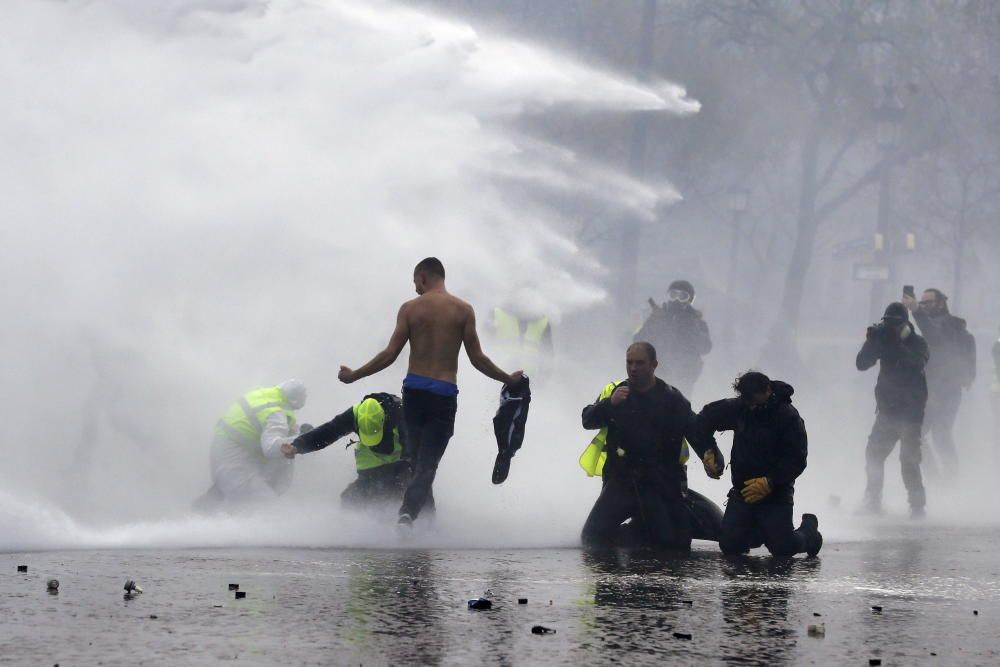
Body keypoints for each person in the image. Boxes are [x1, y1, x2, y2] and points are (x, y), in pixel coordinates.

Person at [338, 257, 522, 527]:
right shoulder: (463, 310)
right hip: (443, 395)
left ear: (423, 277)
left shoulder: (410, 309)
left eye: (415, 282)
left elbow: (389, 355)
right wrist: (507, 378)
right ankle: (408, 516)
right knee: (427, 465)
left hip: (414, 394)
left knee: (414, 461)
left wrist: (354, 375)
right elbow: (478, 359)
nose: (415, 289)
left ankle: (416, 518)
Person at [579, 341, 725, 551]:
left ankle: (644, 529)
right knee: (591, 539)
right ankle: (629, 536)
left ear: (654, 364)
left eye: (640, 363)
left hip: (661, 482)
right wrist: (609, 404)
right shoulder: (615, 392)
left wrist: (709, 454)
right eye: (629, 363)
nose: (633, 368)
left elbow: (695, 430)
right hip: (622, 480)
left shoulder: (671, 398)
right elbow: (587, 420)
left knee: (672, 546)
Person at [695, 371, 822, 557]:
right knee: (730, 545)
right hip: (743, 491)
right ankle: (755, 531)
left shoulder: (788, 417)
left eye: (756, 401)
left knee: (782, 548)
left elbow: (797, 459)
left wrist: (770, 481)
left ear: (767, 391)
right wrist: (709, 451)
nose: (753, 407)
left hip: (776, 494)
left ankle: (810, 533)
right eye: (748, 402)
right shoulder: (741, 407)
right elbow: (704, 419)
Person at [285, 393, 423, 509]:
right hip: (371, 467)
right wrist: (298, 446)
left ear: (384, 420)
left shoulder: (402, 416)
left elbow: (415, 453)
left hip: (401, 465)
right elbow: (329, 432)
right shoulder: (356, 414)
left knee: (409, 491)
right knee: (350, 499)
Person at [856, 303, 929, 517]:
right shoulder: (883, 339)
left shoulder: (917, 342)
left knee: (909, 460)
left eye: (895, 324)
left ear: (906, 322)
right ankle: (872, 500)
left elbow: (915, 365)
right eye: (888, 323)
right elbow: (861, 364)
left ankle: (917, 505)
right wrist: (871, 343)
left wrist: (895, 342)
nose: (891, 328)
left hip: (912, 413)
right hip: (888, 411)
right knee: (873, 456)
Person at [195, 379, 307, 508]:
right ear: (295, 400)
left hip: (226, 451)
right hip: (235, 460)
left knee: (233, 499)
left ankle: (204, 510)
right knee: (265, 507)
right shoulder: (276, 413)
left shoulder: (262, 396)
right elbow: (271, 448)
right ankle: (204, 520)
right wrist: (301, 439)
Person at [903, 288, 976, 478]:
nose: (925, 306)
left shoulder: (944, 325)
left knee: (921, 435)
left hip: (942, 391)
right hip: (940, 390)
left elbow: (933, 334)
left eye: (928, 302)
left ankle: (941, 480)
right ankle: (946, 480)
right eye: (923, 302)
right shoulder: (952, 326)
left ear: (941, 303)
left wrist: (916, 310)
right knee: (936, 435)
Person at [633, 279, 712, 397]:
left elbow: (705, 347)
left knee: (680, 403)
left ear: (690, 300)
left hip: (685, 372)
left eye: (682, 296)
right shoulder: (658, 316)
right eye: (673, 295)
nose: (676, 300)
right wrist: (655, 322)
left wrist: (691, 329)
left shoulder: (696, 321)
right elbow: (639, 341)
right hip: (658, 369)